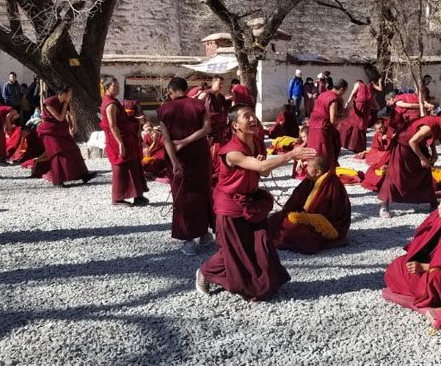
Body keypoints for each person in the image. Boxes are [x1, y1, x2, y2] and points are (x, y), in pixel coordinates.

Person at [196, 104, 314, 300]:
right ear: (235, 126)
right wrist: (291, 155)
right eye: (246, 116)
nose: (253, 119)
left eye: (253, 115)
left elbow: (263, 171)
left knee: (261, 244)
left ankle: (263, 284)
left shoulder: (257, 143)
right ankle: (205, 272)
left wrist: (264, 165)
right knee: (234, 251)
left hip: (252, 201)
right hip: (230, 205)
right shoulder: (231, 152)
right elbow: (260, 165)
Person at [158, 77, 214, 256]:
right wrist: (187, 141)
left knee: (182, 196)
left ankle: (189, 241)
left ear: (170, 91)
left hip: (177, 157)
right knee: (202, 192)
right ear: (186, 88)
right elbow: (207, 129)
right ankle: (205, 235)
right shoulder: (198, 105)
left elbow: (166, 138)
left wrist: (174, 162)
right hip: (199, 154)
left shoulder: (163, 109)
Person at [379, 114, 441, 218]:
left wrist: (434, 153)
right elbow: (412, 141)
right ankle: (384, 206)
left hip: (418, 145)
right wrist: (422, 158)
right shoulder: (428, 128)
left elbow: (432, 138)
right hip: (404, 146)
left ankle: (433, 202)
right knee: (395, 176)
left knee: (425, 174)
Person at [267, 156, 351, 254]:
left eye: (309, 167)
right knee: (276, 219)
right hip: (309, 217)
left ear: (318, 172)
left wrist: (301, 217)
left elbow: (325, 215)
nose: (305, 168)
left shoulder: (331, 186)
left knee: (295, 231)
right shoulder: (311, 180)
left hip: (330, 225)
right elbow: (295, 202)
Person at [101, 76, 149, 206]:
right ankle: (117, 198)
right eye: (114, 87)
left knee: (133, 164)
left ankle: (137, 195)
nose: (117, 89)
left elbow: (123, 121)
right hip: (118, 139)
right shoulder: (110, 104)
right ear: (106, 88)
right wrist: (120, 143)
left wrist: (137, 120)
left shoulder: (114, 101)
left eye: (118, 87)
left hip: (125, 138)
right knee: (120, 167)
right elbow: (113, 125)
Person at [36, 86, 95, 186]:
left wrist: (74, 126)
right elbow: (59, 118)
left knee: (73, 149)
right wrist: (66, 104)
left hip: (61, 130)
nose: (71, 96)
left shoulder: (65, 101)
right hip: (49, 131)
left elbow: (72, 113)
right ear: (63, 94)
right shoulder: (49, 102)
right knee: (58, 152)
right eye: (70, 94)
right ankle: (58, 180)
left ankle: (83, 175)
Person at [307, 79, 348, 170]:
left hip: (313, 126)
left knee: (314, 150)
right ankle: (324, 172)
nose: (345, 92)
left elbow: (323, 109)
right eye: (345, 90)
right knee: (324, 153)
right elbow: (333, 119)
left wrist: (340, 111)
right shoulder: (334, 99)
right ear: (341, 89)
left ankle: (312, 170)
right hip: (323, 129)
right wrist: (345, 117)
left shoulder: (323, 94)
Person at [339, 78, 382, 153]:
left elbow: (353, 92)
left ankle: (346, 142)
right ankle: (359, 146)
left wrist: (348, 102)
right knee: (361, 125)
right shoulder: (369, 87)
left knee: (351, 122)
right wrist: (380, 82)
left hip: (359, 106)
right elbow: (380, 89)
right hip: (366, 108)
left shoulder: (358, 84)